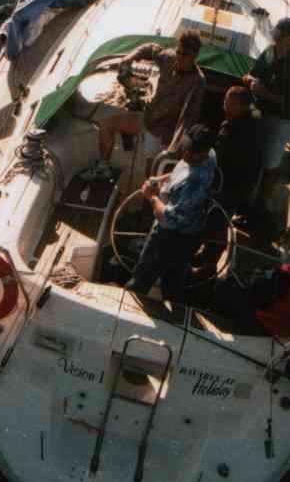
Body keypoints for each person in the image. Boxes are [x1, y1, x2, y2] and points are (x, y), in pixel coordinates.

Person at [82, 31, 205, 179]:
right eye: (178, 52)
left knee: (150, 176)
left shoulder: (197, 82)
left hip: (162, 133)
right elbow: (150, 48)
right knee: (106, 125)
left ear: (194, 56)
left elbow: (188, 119)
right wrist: (130, 57)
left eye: (185, 55)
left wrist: (174, 148)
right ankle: (103, 168)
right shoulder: (169, 58)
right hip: (147, 118)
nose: (179, 57)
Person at [125, 124, 217, 304]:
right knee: (173, 285)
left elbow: (168, 219)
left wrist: (151, 197)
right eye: (185, 148)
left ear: (202, 153)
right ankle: (175, 311)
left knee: (140, 281)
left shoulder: (194, 183)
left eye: (191, 152)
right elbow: (180, 171)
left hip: (169, 237)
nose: (185, 154)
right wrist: (159, 179)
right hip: (191, 234)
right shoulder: (210, 154)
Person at [211, 227, 290, 337]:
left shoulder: (286, 278)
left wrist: (252, 278)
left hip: (271, 327)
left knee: (224, 291)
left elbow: (255, 297)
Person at [243, 16, 290, 204]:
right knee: (253, 150)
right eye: (275, 34)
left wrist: (265, 93)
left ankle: (263, 199)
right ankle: (248, 190)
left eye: (280, 36)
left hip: (281, 120)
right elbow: (252, 73)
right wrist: (250, 81)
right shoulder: (268, 52)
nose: (276, 38)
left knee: (271, 161)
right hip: (260, 112)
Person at [214, 86, 263, 216]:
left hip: (230, 186)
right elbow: (255, 109)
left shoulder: (231, 132)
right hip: (246, 184)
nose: (225, 107)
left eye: (232, 105)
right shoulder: (256, 118)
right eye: (225, 102)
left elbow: (217, 159)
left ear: (243, 107)